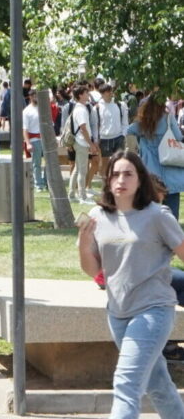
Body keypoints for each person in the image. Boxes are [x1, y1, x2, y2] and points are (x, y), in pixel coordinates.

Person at [77, 151, 184, 419]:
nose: (120, 180)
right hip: (118, 313)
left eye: (128, 174)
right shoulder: (97, 217)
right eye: (115, 174)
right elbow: (94, 270)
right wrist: (82, 243)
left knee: (126, 384)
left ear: (140, 180)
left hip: (153, 310)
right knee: (157, 384)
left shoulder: (157, 215)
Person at [126, 95, 184, 219]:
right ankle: (171, 233)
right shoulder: (168, 118)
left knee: (150, 204)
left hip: (150, 167)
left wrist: (138, 144)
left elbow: (128, 131)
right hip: (170, 164)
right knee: (172, 205)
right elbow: (178, 137)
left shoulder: (142, 123)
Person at [69, 85, 98, 204]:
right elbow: (83, 128)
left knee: (77, 168)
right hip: (81, 142)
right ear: (80, 95)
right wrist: (90, 143)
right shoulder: (81, 109)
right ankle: (82, 197)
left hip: (80, 141)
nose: (88, 95)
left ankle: (71, 194)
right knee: (82, 170)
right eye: (86, 93)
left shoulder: (80, 108)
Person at [22, 90, 46, 190]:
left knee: (48, 162)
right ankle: (38, 184)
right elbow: (25, 129)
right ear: (30, 97)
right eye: (34, 95)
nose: (36, 97)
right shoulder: (27, 111)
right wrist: (28, 143)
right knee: (37, 163)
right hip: (34, 140)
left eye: (37, 95)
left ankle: (46, 182)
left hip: (44, 139)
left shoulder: (43, 108)